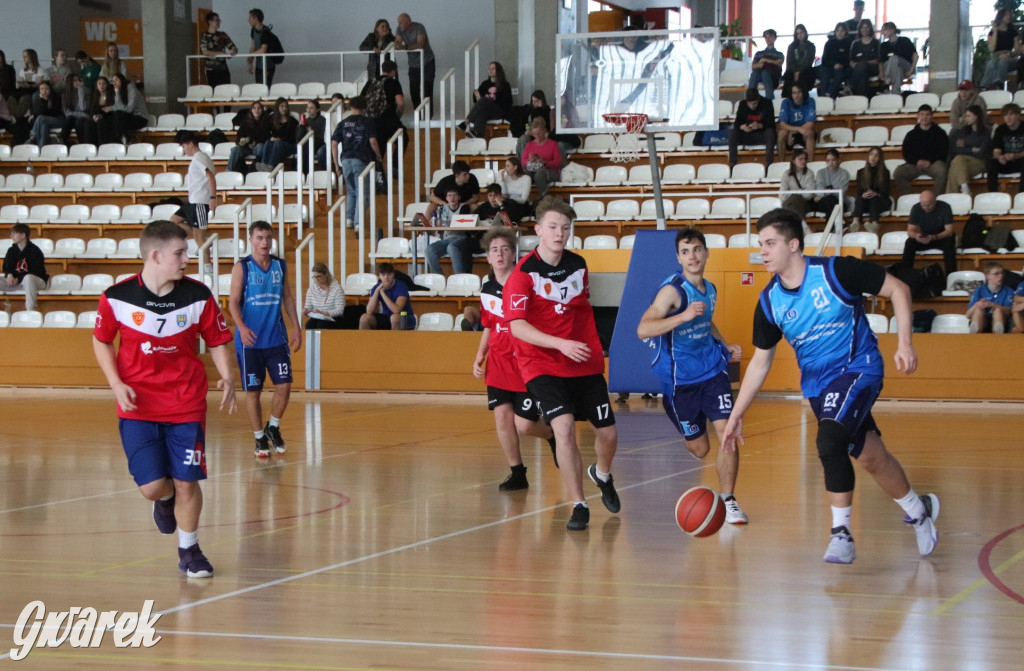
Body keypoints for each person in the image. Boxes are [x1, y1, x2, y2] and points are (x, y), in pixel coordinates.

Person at [722, 207, 939, 564]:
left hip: (859, 367)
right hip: (819, 388)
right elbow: (761, 362)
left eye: (770, 242)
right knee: (871, 456)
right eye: (760, 243)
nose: (762, 250)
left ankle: (841, 533)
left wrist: (904, 342)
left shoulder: (837, 271)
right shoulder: (769, 302)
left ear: (793, 244)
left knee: (828, 441)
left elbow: (898, 289)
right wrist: (736, 414)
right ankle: (920, 511)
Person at [92, 221, 236, 579]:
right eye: (180, 253)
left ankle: (189, 549)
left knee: (189, 480)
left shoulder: (198, 295)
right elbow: (102, 340)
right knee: (153, 486)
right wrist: (115, 383)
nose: (188, 258)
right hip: (137, 406)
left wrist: (228, 376)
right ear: (155, 256)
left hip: (186, 403)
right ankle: (165, 498)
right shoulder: (116, 297)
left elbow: (218, 339)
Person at [504, 196, 620, 531]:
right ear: (539, 229)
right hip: (543, 364)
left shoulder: (578, 264)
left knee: (609, 434)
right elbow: (517, 325)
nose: (560, 233)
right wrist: (559, 343)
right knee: (564, 429)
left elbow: (576, 308)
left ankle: (602, 474)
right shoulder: (523, 274)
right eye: (553, 227)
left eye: (566, 228)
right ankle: (579, 505)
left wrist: (577, 343)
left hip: (583, 361)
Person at [636, 226, 748, 524]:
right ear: (679, 257)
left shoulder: (710, 289)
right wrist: (682, 316)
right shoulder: (672, 290)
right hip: (680, 381)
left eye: (697, 249)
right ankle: (688, 428)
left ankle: (729, 500)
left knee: (728, 434)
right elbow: (643, 329)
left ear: (706, 253)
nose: (692, 256)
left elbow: (707, 322)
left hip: (712, 372)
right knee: (700, 450)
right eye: (686, 251)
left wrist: (725, 345)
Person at [472, 227, 557, 490]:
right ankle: (517, 472)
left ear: (513, 255)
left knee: (525, 424)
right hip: (498, 362)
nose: (499, 254)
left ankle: (552, 433)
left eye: (504, 249)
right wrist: (480, 353)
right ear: (487, 257)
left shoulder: (525, 283)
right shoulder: (487, 288)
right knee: (502, 418)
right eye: (494, 250)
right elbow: (488, 323)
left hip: (524, 362)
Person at [229, 220, 302, 459]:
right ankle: (259, 437)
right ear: (250, 240)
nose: (264, 243)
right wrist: (241, 328)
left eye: (268, 238)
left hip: (276, 338)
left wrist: (296, 327)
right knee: (254, 392)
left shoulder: (280, 265)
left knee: (284, 385)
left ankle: (273, 426)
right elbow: (232, 302)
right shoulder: (243, 267)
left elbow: (288, 297)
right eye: (259, 238)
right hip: (250, 342)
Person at [331, 95, 383, 229]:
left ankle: (349, 218)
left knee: (351, 191)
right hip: (361, 159)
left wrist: (336, 164)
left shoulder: (342, 123)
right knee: (362, 192)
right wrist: (378, 156)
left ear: (351, 107)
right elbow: (373, 141)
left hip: (346, 160)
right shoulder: (368, 122)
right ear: (364, 107)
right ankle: (358, 222)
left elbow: (334, 144)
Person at [169, 130, 218, 252]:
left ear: (191, 144)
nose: (184, 149)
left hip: (200, 201)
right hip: (193, 200)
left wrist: (213, 197)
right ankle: (205, 239)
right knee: (174, 221)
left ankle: (208, 268)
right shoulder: (198, 158)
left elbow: (210, 177)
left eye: (184, 146)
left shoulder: (200, 158)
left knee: (199, 239)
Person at [360, 60, 406, 176]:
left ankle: (378, 174)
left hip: (372, 119)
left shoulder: (371, 81)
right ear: (394, 71)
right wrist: (398, 116)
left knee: (379, 146)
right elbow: (400, 103)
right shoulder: (393, 82)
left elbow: (361, 100)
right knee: (403, 138)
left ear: (382, 69)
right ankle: (394, 166)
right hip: (388, 118)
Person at [893, 105, 948, 196]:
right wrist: (916, 161)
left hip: (933, 164)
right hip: (915, 165)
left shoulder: (940, 133)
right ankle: (913, 198)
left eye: (927, 115)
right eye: (922, 115)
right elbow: (906, 153)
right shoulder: (911, 134)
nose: (924, 117)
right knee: (898, 173)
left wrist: (930, 161)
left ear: (932, 116)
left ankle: (934, 199)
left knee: (942, 171)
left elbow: (944, 151)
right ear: (917, 116)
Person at [902, 190, 957, 276]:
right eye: (923, 205)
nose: (926, 208)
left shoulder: (945, 207)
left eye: (929, 205)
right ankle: (906, 275)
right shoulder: (916, 208)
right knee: (909, 243)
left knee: (949, 244)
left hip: (941, 237)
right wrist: (916, 236)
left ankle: (951, 276)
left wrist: (935, 237)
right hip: (924, 236)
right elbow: (910, 231)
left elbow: (949, 231)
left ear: (935, 201)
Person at [426, 186, 475, 274]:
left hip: (461, 238)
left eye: (455, 195)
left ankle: (459, 277)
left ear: (459, 197)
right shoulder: (442, 208)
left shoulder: (464, 208)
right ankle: (439, 277)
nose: (452, 198)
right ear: (446, 198)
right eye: (449, 195)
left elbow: (466, 225)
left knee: (451, 248)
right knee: (429, 249)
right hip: (446, 238)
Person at [394, 13, 435, 114]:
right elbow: (397, 43)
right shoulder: (399, 29)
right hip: (413, 65)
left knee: (427, 89)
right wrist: (399, 45)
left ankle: (428, 116)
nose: (399, 25)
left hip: (427, 62)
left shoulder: (419, 27)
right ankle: (418, 114)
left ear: (409, 21)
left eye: (401, 22)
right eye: (398, 22)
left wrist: (405, 47)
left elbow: (420, 44)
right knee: (414, 90)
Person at [946, 105, 991, 195]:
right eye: (966, 116)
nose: (966, 118)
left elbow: (981, 153)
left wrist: (964, 147)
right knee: (957, 161)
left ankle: (951, 196)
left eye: (968, 116)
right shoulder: (964, 131)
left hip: (979, 163)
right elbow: (955, 149)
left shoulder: (985, 133)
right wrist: (972, 149)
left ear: (976, 117)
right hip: (963, 163)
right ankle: (964, 187)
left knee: (956, 164)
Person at [1, 223, 48, 310]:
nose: (11, 236)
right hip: (17, 282)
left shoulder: (35, 251)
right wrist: (10, 275)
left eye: (14, 234)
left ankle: (30, 309)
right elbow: (7, 267)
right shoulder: (11, 251)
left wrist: (18, 278)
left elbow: (36, 271)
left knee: (28, 278)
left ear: (23, 235)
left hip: (35, 281)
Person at [462, 61, 513, 138]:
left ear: (498, 71)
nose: (490, 70)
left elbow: (507, 103)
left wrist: (485, 101)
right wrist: (476, 95)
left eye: (493, 69)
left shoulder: (504, 85)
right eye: (489, 68)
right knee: (483, 112)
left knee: (484, 100)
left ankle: (466, 122)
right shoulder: (485, 84)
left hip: (499, 111)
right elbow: (477, 101)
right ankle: (477, 134)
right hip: (488, 111)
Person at [359, 262, 415, 330]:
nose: (386, 277)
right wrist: (377, 291)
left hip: (405, 318)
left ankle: (394, 341)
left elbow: (396, 310)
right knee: (364, 318)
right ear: (379, 276)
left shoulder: (401, 286)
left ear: (393, 274)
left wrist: (382, 292)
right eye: (383, 274)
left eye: (389, 274)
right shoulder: (377, 287)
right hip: (387, 317)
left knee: (395, 318)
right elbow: (369, 311)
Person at [729, 87, 776, 168]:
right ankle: (733, 163)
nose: (752, 106)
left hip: (761, 134)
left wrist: (760, 125)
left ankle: (769, 162)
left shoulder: (767, 103)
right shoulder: (742, 104)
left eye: (754, 103)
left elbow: (772, 124)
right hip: (746, 134)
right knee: (733, 133)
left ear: (758, 100)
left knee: (770, 133)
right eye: (750, 103)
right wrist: (742, 127)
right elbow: (737, 123)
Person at [849, 146, 891, 233]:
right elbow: (859, 191)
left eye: (876, 155)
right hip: (866, 201)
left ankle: (874, 223)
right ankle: (855, 222)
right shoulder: (860, 172)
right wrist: (863, 194)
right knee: (859, 199)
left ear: (880, 158)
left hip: (881, 201)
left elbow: (886, 192)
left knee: (874, 198)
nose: (873, 157)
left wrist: (876, 193)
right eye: (871, 154)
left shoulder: (885, 172)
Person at [967, 262, 1014, 334]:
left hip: (1001, 320)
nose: (1000, 276)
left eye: (1002, 273)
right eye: (996, 274)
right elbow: (968, 315)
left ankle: (997, 335)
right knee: (978, 310)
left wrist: (992, 305)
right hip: (983, 320)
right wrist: (977, 304)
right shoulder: (979, 290)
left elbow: (1009, 312)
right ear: (987, 276)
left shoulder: (1008, 290)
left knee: (998, 311)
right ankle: (975, 335)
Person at [987, 103, 1024, 193]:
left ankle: (1022, 194)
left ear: (1018, 115)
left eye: (1011, 114)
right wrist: (1000, 157)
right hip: (1006, 162)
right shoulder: (1000, 129)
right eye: (1005, 115)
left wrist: (1016, 156)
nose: (1008, 117)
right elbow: (996, 151)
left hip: (1021, 161)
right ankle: (993, 193)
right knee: (992, 163)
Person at [522, 117, 562, 201]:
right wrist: (529, 160)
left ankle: (546, 199)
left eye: (539, 133)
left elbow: (558, 163)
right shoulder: (529, 145)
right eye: (535, 134)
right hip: (533, 169)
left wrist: (544, 162)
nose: (537, 136)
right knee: (525, 174)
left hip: (550, 171)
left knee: (539, 175)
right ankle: (524, 200)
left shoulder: (552, 144)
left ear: (544, 131)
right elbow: (523, 162)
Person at [228, 100, 272, 173]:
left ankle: (255, 169)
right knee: (235, 149)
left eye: (259, 108)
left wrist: (255, 142)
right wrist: (241, 142)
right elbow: (239, 136)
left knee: (261, 147)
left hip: (258, 147)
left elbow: (267, 137)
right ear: (251, 110)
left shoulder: (267, 122)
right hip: (246, 148)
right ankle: (229, 171)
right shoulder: (245, 122)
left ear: (262, 110)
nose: (257, 110)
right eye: (254, 108)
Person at [980, 9, 1020, 90]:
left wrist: (1008, 55)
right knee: (991, 63)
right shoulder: (992, 32)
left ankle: (999, 83)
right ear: (1000, 17)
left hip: (1010, 57)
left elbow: (1017, 49)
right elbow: (991, 48)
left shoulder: (1013, 31)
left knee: (1003, 61)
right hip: (996, 56)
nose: (1009, 17)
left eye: (1009, 15)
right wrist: (995, 31)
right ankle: (985, 86)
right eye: (1006, 15)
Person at [255, 97, 298, 171]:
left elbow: (292, 137)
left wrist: (280, 139)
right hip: (276, 143)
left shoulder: (292, 121)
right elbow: (265, 133)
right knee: (269, 142)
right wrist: (272, 137)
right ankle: (263, 164)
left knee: (278, 143)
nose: (284, 108)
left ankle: (271, 166)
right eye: (282, 106)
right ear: (277, 107)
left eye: (286, 106)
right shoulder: (271, 119)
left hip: (290, 145)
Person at [776, 83, 816, 162]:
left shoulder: (810, 101)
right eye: (794, 93)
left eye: (799, 92)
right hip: (790, 133)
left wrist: (794, 131)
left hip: (803, 133)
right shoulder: (786, 102)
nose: (796, 95)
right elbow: (782, 124)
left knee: (810, 133)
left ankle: (810, 164)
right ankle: (781, 163)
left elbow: (810, 124)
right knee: (781, 134)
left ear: (803, 93)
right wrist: (793, 131)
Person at [200, 12, 238, 89]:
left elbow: (233, 46)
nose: (219, 22)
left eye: (219, 20)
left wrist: (233, 51)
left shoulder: (222, 35)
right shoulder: (204, 35)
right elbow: (205, 51)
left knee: (226, 90)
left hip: (223, 69)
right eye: (216, 20)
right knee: (214, 90)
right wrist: (221, 53)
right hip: (211, 69)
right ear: (210, 21)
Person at [303, 262, 346, 330]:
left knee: (322, 324)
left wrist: (324, 313)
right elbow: (308, 307)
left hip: (333, 318)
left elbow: (340, 310)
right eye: (314, 277)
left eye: (319, 277)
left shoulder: (336, 288)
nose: (317, 280)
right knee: (309, 325)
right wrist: (306, 311)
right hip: (318, 316)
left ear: (326, 275)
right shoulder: (312, 288)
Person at [878, 22, 918, 94]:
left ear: (892, 30)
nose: (883, 32)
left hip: (905, 65)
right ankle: (895, 94)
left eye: (885, 30)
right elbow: (881, 61)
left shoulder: (905, 40)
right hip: (893, 68)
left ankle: (887, 78)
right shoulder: (883, 45)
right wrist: (881, 71)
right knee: (897, 70)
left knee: (893, 58)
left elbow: (915, 55)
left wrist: (911, 70)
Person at [109, 73, 149, 143]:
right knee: (111, 120)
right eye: (113, 81)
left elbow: (130, 109)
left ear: (122, 80)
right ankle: (121, 140)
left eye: (116, 80)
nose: (114, 83)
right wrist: (117, 93)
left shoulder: (132, 89)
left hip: (140, 117)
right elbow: (118, 106)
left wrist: (112, 108)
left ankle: (122, 140)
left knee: (117, 117)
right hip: (127, 117)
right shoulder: (118, 91)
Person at [76, 75, 114, 146]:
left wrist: (100, 115)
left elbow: (111, 110)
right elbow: (91, 109)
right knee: (80, 121)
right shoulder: (94, 95)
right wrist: (93, 116)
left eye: (103, 83)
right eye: (99, 83)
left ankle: (100, 146)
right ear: (96, 85)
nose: (101, 85)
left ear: (107, 85)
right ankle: (85, 145)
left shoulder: (112, 95)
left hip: (107, 117)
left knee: (91, 123)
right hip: (95, 116)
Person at [24, 81, 62, 148]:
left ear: (50, 89)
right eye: (41, 89)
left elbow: (53, 113)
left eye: (46, 89)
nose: (44, 91)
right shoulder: (36, 97)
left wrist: (45, 100)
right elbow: (38, 113)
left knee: (41, 118)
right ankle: (41, 148)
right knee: (44, 125)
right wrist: (43, 101)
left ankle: (32, 136)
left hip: (57, 120)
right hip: (44, 121)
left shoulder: (56, 97)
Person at [819, 23, 853, 99]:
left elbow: (850, 59)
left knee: (840, 74)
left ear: (846, 32)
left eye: (842, 31)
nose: (840, 33)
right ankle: (822, 96)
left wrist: (842, 65)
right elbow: (824, 59)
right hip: (828, 67)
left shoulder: (849, 44)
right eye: (838, 31)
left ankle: (829, 94)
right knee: (825, 75)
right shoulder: (829, 43)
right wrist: (834, 64)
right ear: (835, 32)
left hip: (842, 68)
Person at [748, 29, 784, 100]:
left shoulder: (779, 54)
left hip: (773, 76)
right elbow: (753, 66)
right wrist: (763, 64)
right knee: (755, 73)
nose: (768, 39)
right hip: (759, 74)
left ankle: (769, 99)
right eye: (766, 37)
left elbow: (779, 64)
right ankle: (751, 98)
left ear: (775, 38)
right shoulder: (759, 53)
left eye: (770, 37)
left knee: (764, 72)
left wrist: (765, 60)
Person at [815, 149, 850, 221]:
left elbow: (842, 193)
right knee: (829, 200)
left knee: (830, 200)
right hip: (823, 202)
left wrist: (827, 192)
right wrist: (831, 192)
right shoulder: (820, 173)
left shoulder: (844, 174)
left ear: (838, 160)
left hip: (839, 202)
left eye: (833, 160)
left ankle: (830, 229)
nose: (831, 162)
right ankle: (840, 224)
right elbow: (819, 191)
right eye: (828, 160)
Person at [247, 8, 280, 86]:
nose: (248, 20)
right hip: (259, 65)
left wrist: (251, 55)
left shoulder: (265, 32)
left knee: (265, 86)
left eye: (250, 18)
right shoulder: (253, 30)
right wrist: (250, 62)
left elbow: (263, 50)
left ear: (255, 18)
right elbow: (253, 46)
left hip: (267, 65)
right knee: (258, 86)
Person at [782, 24, 816, 99]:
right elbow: (790, 61)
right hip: (792, 70)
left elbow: (809, 61)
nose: (800, 35)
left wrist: (799, 71)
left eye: (801, 33)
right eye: (798, 33)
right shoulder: (791, 46)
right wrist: (795, 71)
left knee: (804, 77)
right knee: (788, 78)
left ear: (805, 33)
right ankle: (787, 100)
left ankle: (803, 98)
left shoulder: (811, 46)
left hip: (805, 70)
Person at [849, 19, 880, 98]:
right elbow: (851, 61)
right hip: (859, 70)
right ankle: (863, 98)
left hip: (873, 68)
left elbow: (877, 60)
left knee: (862, 65)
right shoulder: (855, 43)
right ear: (859, 29)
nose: (865, 30)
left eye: (867, 27)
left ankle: (850, 87)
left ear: (870, 29)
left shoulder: (876, 42)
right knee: (863, 75)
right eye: (862, 28)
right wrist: (857, 66)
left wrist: (862, 64)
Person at [780, 149, 815, 217]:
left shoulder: (810, 173)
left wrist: (792, 192)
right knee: (793, 201)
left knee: (796, 199)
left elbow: (809, 194)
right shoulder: (786, 174)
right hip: (789, 203)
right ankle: (800, 224)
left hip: (804, 204)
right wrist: (802, 191)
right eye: (800, 159)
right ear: (793, 160)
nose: (803, 161)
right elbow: (782, 195)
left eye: (805, 159)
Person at [12, 49, 47, 117]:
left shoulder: (40, 69)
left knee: (24, 99)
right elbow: (20, 81)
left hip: (33, 90)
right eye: (23, 56)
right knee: (12, 97)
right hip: (24, 89)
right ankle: (14, 115)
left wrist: (30, 85)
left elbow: (40, 83)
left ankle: (17, 116)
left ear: (31, 57)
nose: (23, 58)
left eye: (25, 56)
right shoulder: (23, 70)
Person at [58, 73, 89, 145]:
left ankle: (83, 144)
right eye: (75, 80)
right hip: (75, 116)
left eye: (78, 80)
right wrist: (82, 114)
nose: (77, 82)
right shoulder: (65, 94)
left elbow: (83, 107)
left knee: (79, 121)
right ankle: (62, 142)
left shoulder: (86, 91)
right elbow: (67, 113)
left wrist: (81, 90)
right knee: (69, 118)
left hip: (83, 117)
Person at [299, 100, 327, 172]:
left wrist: (312, 132)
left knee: (320, 152)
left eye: (312, 108)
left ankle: (323, 172)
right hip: (308, 143)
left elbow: (322, 136)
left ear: (317, 109)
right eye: (308, 107)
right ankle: (304, 172)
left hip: (319, 143)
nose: (309, 110)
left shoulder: (322, 120)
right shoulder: (305, 121)